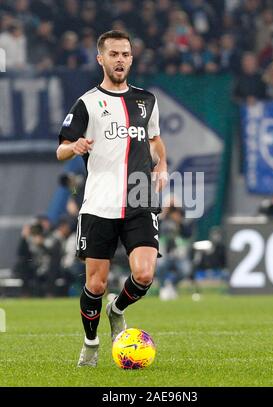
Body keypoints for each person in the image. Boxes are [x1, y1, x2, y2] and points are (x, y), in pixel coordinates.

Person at [56, 30, 168, 367]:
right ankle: (91, 344)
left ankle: (116, 309)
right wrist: (73, 147)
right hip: (99, 204)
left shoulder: (146, 100)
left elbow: (155, 140)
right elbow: (61, 148)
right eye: (114, 54)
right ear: (100, 59)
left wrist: (162, 166)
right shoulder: (87, 103)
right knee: (96, 282)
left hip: (139, 197)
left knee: (145, 275)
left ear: (132, 59)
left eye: (125, 54)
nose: (120, 60)